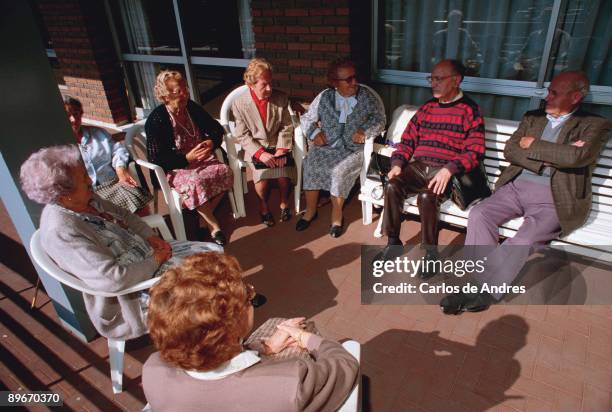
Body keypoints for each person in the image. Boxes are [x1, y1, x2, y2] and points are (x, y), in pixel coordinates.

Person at [440, 71, 612, 314]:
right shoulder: (533, 117)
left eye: (554, 93)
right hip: (515, 187)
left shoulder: (595, 125)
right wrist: (550, 157)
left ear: (575, 96)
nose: (547, 97)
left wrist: (532, 145)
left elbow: (576, 157)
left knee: (524, 239)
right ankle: (477, 280)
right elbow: (511, 150)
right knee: (480, 213)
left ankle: (482, 289)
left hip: (555, 198)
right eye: (548, 91)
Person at [20, 145, 222, 340]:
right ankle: (208, 339)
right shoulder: (61, 231)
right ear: (64, 196)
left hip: (147, 255)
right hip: (130, 295)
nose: (90, 180)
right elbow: (113, 279)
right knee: (204, 282)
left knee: (215, 254)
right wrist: (155, 260)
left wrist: (150, 237)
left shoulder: (86, 200)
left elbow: (126, 216)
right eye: (83, 178)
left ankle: (225, 313)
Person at [142, 252, 359, 411]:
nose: (252, 298)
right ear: (232, 326)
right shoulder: (289, 385)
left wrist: (265, 348)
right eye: (247, 295)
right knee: (297, 326)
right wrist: (306, 338)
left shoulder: (152, 370)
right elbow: (346, 366)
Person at [375, 59, 486, 279]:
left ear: (456, 81)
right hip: (419, 167)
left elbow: (475, 151)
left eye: (439, 79)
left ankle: (431, 254)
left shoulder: (470, 110)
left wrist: (449, 169)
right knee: (392, 186)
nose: (432, 83)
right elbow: (407, 141)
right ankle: (393, 242)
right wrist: (397, 164)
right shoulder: (427, 108)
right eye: (431, 79)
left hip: (446, 172)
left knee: (427, 197)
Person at [298, 59, 386, 238]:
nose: (354, 82)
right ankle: (310, 211)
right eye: (348, 79)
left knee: (338, 172)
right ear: (335, 83)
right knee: (310, 164)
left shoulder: (366, 96)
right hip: (326, 147)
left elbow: (380, 119)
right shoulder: (324, 97)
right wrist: (314, 133)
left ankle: (337, 216)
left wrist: (365, 130)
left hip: (352, 149)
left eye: (355, 77)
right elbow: (307, 119)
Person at [145, 70, 233, 246]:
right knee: (195, 183)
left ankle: (203, 218)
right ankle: (214, 226)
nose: (185, 93)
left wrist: (210, 142)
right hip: (174, 168)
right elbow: (157, 159)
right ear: (166, 95)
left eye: (185, 88)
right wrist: (186, 158)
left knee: (226, 171)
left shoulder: (191, 107)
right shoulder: (157, 120)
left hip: (200, 160)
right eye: (179, 91)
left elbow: (216, 129)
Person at [231, 58, 295, 226]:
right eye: (264, 85)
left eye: (271, 83)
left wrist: (281, 148)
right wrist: (260, 153)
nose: (269, 88)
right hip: (256, 147)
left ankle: (284, 202)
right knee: (262, 177)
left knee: (283, 175)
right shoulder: (239, 104)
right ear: (251, 84)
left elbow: (287, 126)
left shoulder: (280, 98)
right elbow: (242, 134)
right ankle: (263, 206)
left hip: (277, 143)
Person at [65, 97, 152, 214]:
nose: (73, 119)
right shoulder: (61, 145)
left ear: (81, 114)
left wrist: (121, 170)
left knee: (133, 195)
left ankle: (149, 230)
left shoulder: (98, 134)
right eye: (68, 115)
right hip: (86, 193)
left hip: (112, 183)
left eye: (76, 114)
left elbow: (118, 151)